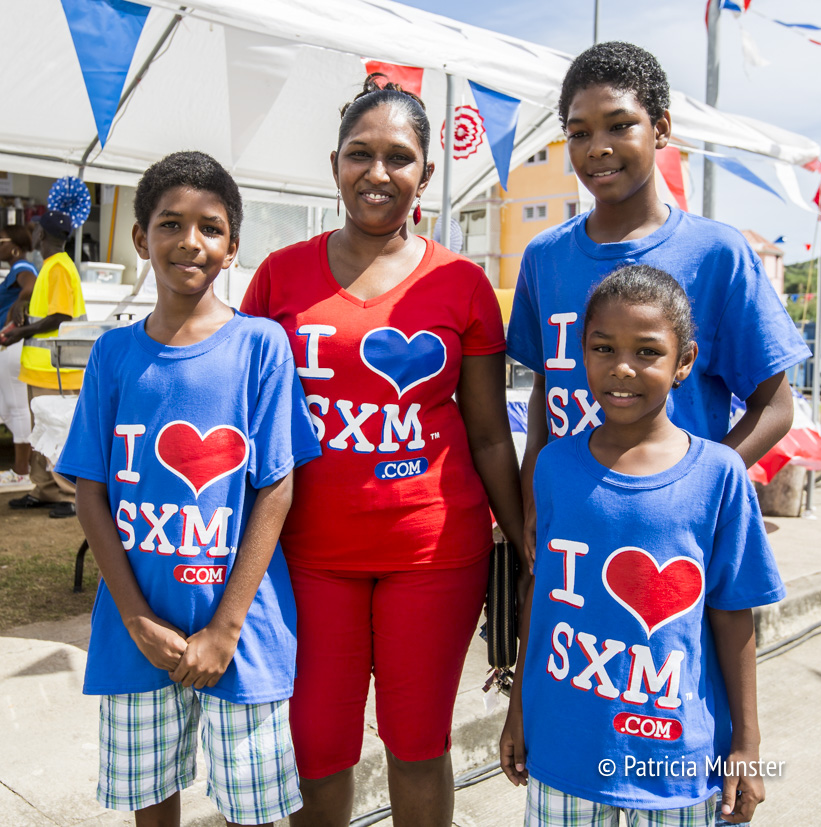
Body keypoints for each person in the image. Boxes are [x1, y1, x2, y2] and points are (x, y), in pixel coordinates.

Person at [241, 75, 525, 827]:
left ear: (425, 174)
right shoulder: (277, 276)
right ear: (334, 164)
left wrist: (525, 537)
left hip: (434, 552)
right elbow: (248, 420)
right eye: (359, 153)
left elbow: (488, 432)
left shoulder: (463, 283)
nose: (377, 171)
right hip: (308, 554)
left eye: (398, 156)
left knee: (417, 744)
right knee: (316, 748)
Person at [54, 151, 321, 827]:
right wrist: (137, 620)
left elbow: (276, 488)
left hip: (243, 634)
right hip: (137, 635)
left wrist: (225, 629)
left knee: (253, 810)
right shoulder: (114, 354)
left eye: (210, 227)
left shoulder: (262, 346)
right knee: (151, 806)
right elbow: (90, 491)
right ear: (140, 237)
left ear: (233, 246)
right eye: (170, 223)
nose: (189, 241)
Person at [506, 42, 811, 573]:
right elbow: (543, 389)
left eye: (620, 125)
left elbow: (775, 407)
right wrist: (533, 486)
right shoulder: (544, 257)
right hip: (571, 526)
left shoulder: (717, 254)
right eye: (579, 133)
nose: (598, 147)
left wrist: (699, 487)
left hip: (675, 538)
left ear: (661, 128)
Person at [501, 265, 785, 826]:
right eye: (603, 348)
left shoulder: (720, 475)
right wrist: (519, 710)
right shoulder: (554, 467)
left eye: (648, 351)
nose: (622, 367)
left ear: (684, 362)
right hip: (564, 748)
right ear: (581, 354)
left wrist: (747, 746)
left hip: (678, 761)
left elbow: (733, 614)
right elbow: (542, 595)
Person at [5, 208, 88, 517]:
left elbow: (60, 316)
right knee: (42, 431)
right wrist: (23, 310)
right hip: (44, 369)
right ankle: (44, 489)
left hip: (56, 369)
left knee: (57, 432)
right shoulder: (52, 266)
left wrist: (20, 333)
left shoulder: (59, 267)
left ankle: (67, 494)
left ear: (41, 234)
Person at [0, 225, 36, 490]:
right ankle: (28, 466)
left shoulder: (22, 267)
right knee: (7, 408)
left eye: (1, 242)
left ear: (15, 247)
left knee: (17, 407)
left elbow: (31, 285)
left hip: (13, 344)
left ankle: (22, 471)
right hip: (9, 346)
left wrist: (16, 308)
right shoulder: (16, 269)